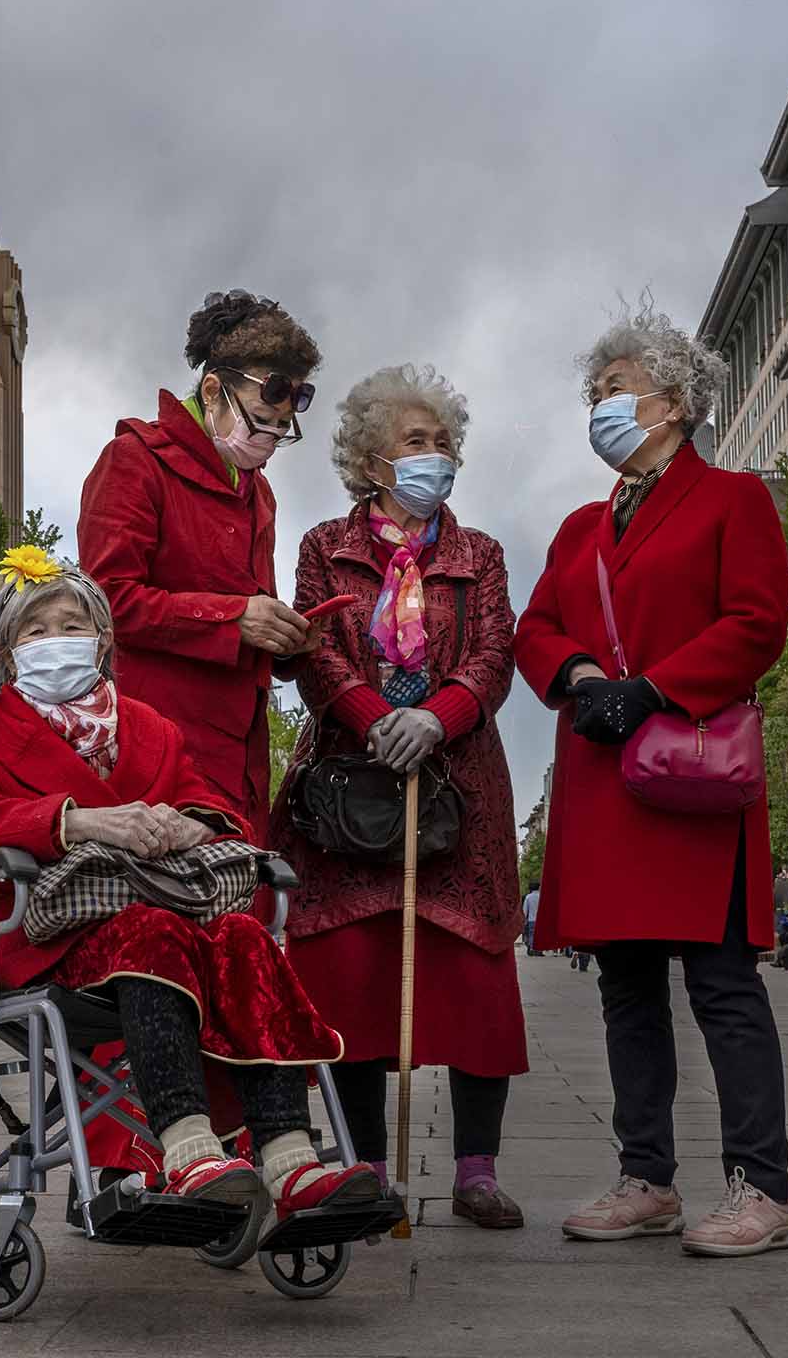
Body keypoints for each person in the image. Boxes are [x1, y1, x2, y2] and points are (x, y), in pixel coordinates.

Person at [0, 550, 379, 1219]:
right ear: (4, 648)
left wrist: (189, 826)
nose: (57, 641)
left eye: (72, 625)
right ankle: (189, 1150)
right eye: (36, 630)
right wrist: (76, 822)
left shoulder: (152, 729)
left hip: (156, 916)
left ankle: (290, 1160)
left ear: (103, 640)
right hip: (36, 932)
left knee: (247, 937)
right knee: (156, 933)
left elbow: (207, 807)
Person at [515, 306, 788, 1257]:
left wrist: (656, 687)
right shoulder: (578, 526)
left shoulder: (734, 499)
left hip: (692, 770)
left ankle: (762, 1188)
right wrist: (584, 679)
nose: (600, 407)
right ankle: (648, 1178)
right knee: (627, 988)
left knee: (723, 987)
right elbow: (537, 628)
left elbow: (756, 624)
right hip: (607, 779)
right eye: (594, 393)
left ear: (672, 404)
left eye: (615, 390)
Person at [269, 362, 528, 1229]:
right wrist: (377, 715)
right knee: (352, 980)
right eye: (415, 441)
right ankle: (365, 1168)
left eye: (444, 441)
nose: (434, 455)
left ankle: (477, 1172)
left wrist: (441, 717)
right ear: (371, 459)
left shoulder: (480, 554)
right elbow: (314, 647)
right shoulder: (322, 547)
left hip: (460, 791)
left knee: (473, 982)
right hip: (350, 792)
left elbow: (496, 650)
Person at [78, 289, 323, 835]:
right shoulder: (134, 462)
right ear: (213, 391)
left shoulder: (259, 494)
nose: (268, 440)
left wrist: (287, 641)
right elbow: (104, 604)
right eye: (260, 421)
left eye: (281, 430)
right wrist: (236, 618)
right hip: (157, 752)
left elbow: (251, 617)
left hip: (241, 757)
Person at [524, 885, 541, 956]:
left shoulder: (528, 897)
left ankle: (531, 948)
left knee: (531, 934)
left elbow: (525, 909)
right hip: (540, 920)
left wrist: (524, 919)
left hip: (531, 919)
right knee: (539, 935)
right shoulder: (541, 896)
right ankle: (539, 950)